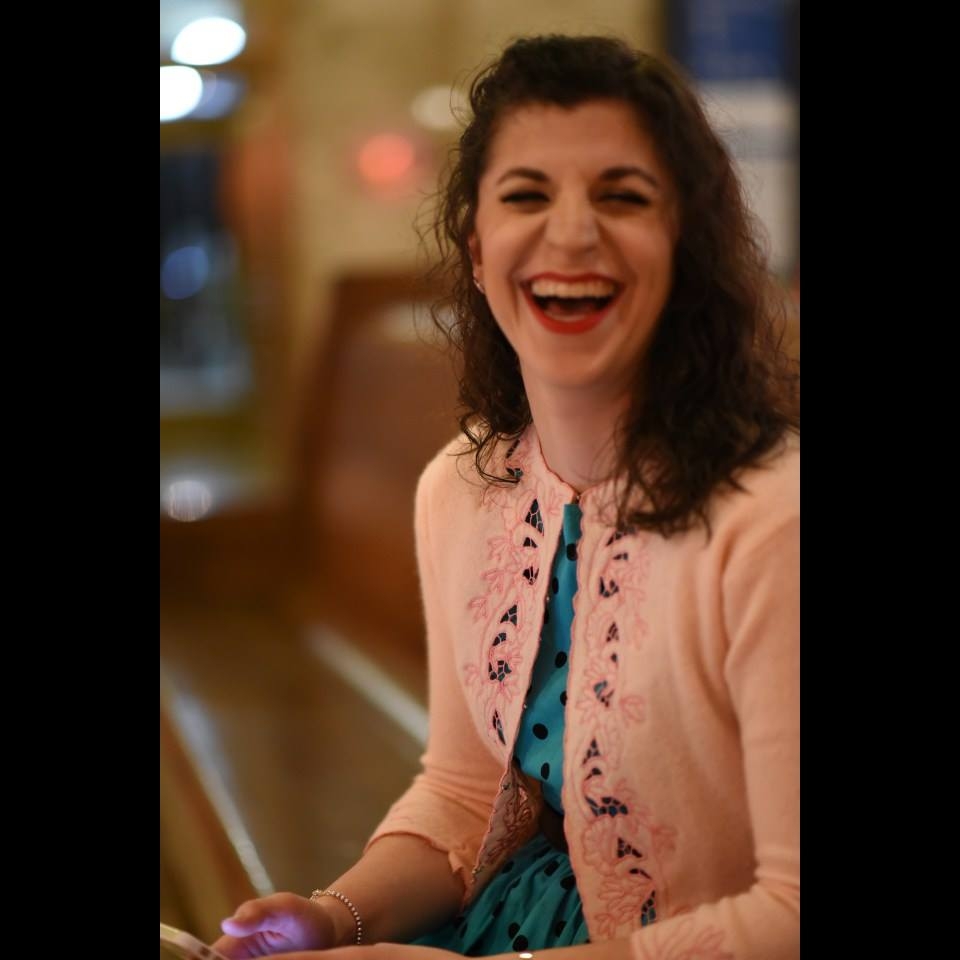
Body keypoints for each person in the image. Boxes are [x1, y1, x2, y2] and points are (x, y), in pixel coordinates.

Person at [212, 34, 800, 960]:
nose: (572, 234)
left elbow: (792, 914)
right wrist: (328, 918)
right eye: (528, 195)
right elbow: (465, 790)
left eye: (622, 196)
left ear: (683, 248)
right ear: (478, 250)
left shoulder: (772, 518)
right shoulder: (462, 487)